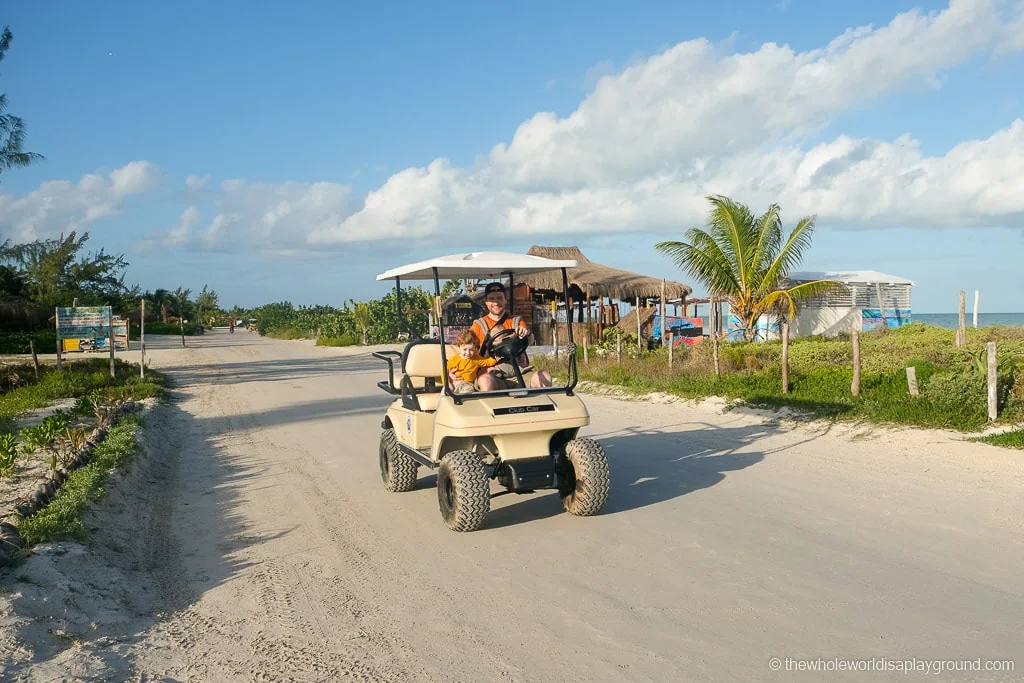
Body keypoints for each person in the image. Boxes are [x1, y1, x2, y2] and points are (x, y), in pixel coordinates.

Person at [470, 282, 552, 390]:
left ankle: (538, 405)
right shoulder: (478, 326)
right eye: (492, 299)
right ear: (486, 302)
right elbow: (465, 349)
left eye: (499, 298)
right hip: (492, 374)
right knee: (485, 380)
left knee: (543, 376)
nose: (496, 302)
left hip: (518, 372)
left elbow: (530, 340)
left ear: (505, 300)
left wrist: (525, 333)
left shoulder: (516, 321)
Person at [446, 328, 499, 393]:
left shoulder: (476, 359)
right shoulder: (454, 360)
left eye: (471, 350)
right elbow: (445, 371)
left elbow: (487, 362)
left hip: (468, 384)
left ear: (475, 348)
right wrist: (448, 383)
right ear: (459, 347)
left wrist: (496, 358)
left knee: (468, 393)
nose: (468, 353)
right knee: (446, 392)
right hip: (454, 383)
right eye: (465, 349)